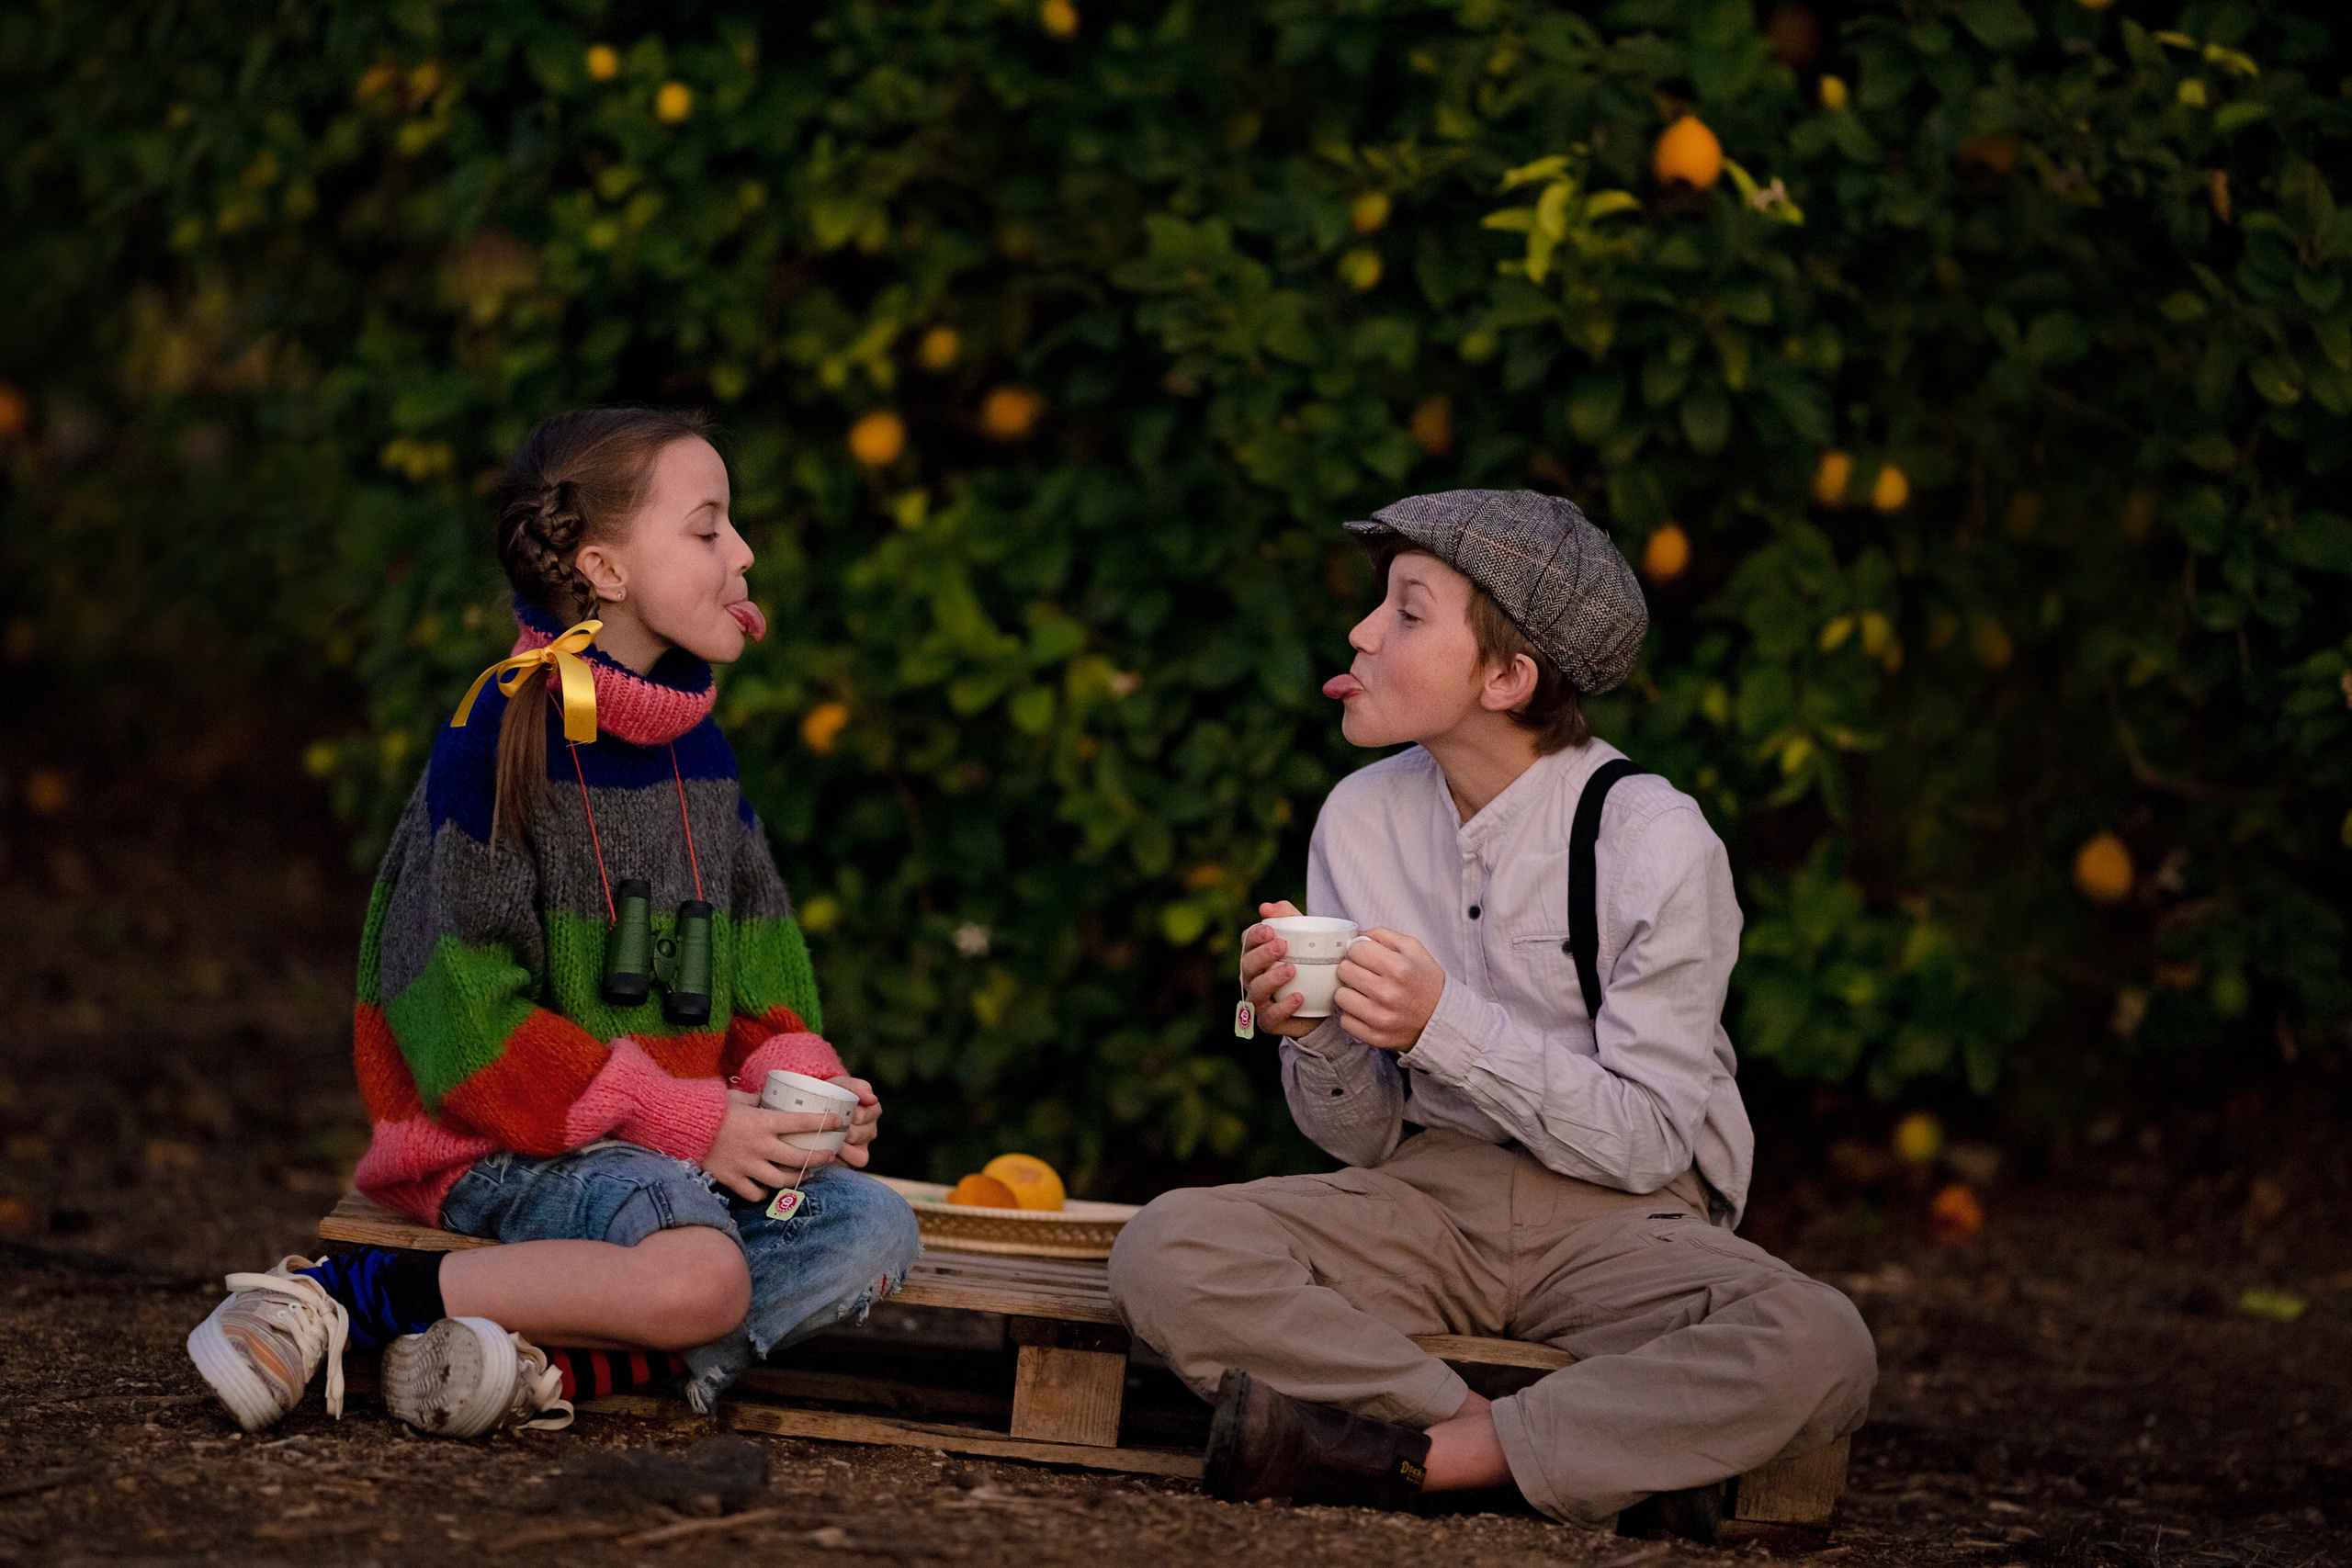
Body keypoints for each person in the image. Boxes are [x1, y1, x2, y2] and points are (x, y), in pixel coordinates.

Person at [1108, 490, 1875, 1524]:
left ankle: (1404, 1456)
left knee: (1820, 1341)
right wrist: (1311, 1034)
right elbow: (1360, 1137)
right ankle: (1508, 1448)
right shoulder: (1360, 815)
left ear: (1507, 678)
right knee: (1168, 1249)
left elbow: (1651, 1142)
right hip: (1428, 1199)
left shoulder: (1651, 838)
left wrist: (1442, 1025)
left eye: (1408, 613)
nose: (1361, 634)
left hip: (1623, 1224)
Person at [187, 408, 920, 1437]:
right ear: (605, 569)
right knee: (705, 1274)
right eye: (708, 529)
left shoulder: (698, 757)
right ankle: (350, 1298)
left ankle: (541, 1365)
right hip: (505, 1143)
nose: (744, 553)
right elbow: (461, 1024)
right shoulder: (496, 742)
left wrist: (800, 1092)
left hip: (667, 1160)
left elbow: (759, 978)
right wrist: (695, 1124)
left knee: (870, 1226)